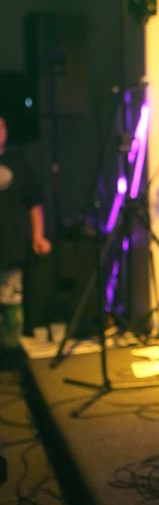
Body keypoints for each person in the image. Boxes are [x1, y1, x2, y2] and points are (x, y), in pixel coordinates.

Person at [0, 115, 52, 368]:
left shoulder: (17, 161)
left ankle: (10, 356)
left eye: (1, 126)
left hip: (10, 246)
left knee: (12, 304)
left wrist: (38, 236)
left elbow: (34, 201)